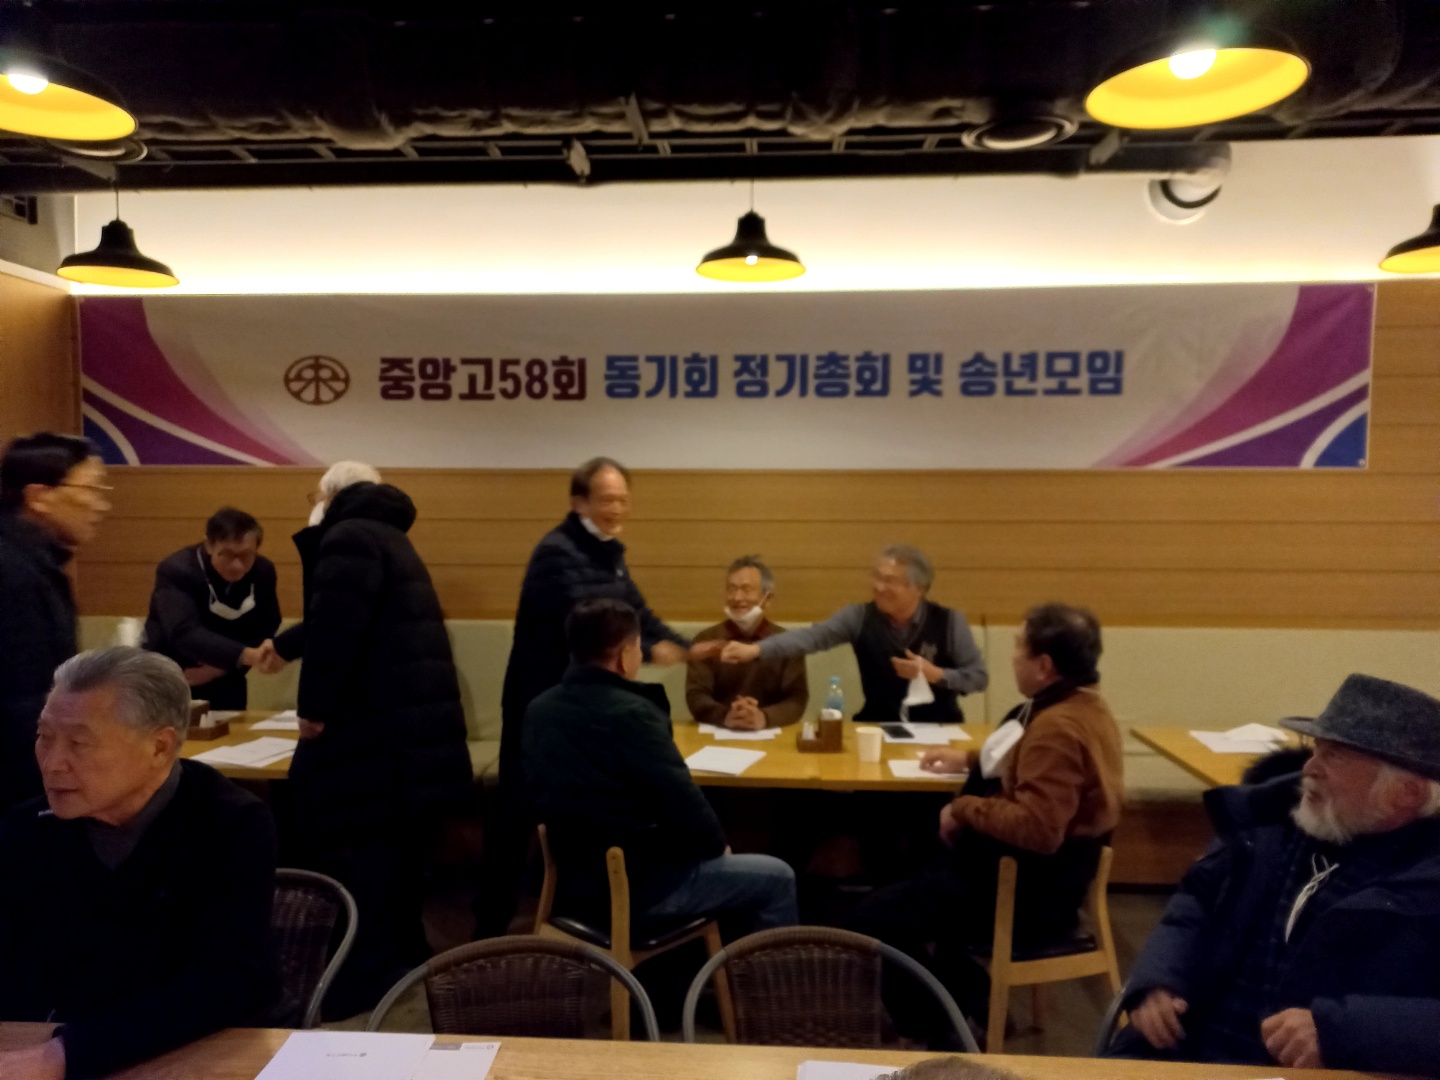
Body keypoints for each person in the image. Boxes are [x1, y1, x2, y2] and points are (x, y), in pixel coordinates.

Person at [1106, 674, 1440, 1075]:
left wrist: (1343, 1031)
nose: (1310, 768)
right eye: (1316, 749)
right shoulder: (1268, 824)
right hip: (1188, 1050)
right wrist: (1158, 978)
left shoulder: (1427, 876)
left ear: (1407, 793)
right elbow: (1195, 903)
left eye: (1335, 756)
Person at [0, 647, 277, 1080]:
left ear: (159, 747)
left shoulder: (229, 823)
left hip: (196, 1052)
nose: (52, 763)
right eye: (44, 736)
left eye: (78, 743)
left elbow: (226, 984)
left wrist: (64, 1056)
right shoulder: (29, 826)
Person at [851, 603, 1123, 1042]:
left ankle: (944, 1029)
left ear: (1044, 665)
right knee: (915, 881)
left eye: (1019, 647)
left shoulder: (1057, 728)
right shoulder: (1087, 707)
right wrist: (968, 759)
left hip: (1029, 896)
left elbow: (1038, 828)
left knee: (871, 919)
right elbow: (1034, 763)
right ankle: (975, 998)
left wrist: (965, 808)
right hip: (1053, 882)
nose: (1012, 656)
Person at [476, 456, 715, 937]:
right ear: (579, 501)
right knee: (517, 814)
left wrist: (688, 649)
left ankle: (577, 916)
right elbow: (592, 621)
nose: (617, 508)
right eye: (607, 499)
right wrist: (653, 649)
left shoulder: (607, 551)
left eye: (623, 499)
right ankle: (487, 931)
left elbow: (637, 614)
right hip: (542, 706)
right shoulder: (557, 553)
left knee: (578, 810)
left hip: (583, 703)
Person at [289, 480, 472, 1017]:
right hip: (412, 730)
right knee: (398, 853)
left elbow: (333, 632)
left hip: (375, 731)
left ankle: (364, 975)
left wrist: (313, 708)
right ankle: (405, 955)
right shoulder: (392, 538)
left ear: (329, 498)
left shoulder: (348, 539)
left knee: (369, 855)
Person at [525, 597, 797, 931]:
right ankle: (764, 966)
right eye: (638, 648)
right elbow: (681, 799)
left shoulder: (539, 710)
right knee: (777, 876)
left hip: (572, 887)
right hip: (643, 889)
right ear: (625, 656)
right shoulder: (634, 714)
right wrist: (717, 847)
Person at [721, 545, 986, 723]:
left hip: (940, 729)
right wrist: (756, 649)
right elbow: (813, 637)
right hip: (877, 726)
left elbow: (978, 678)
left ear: (918, 588)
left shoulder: (949, 622)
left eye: (889, 581)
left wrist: (936, 675)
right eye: (876, 577)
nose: (878, 587)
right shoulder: (859, 616)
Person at [0, 433, 110, 815]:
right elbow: (22, 700)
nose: (101, 505)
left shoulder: (35, 563)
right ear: (39, 496)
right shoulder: (12, 572)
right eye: (91, 490)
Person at [142, 507, 284, 710]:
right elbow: (183, 631)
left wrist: (219, 668)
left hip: (227, 680)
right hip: (174, 676)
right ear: (209, 545)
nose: (237, 565)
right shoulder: (177, 570)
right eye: (227, 555)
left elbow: (267, 624)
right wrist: (247, 655)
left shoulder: (263, 571)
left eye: (246, 556)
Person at [271, 460, 381, 665]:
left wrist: (282, 646)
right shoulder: (382, 535)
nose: (317, 504)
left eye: (320, 496)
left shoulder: (346, 540)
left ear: (334, 496)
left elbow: (335, 616)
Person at [686, 555, 808, 730]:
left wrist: (763, 717)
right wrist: (726, 715)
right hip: (717, 732)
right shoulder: (706, 640)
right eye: (732, 589)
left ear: (767, 599)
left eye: (746, 589)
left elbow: (796, 700)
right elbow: (696, 696)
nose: (737, 597)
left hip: (772, 733)